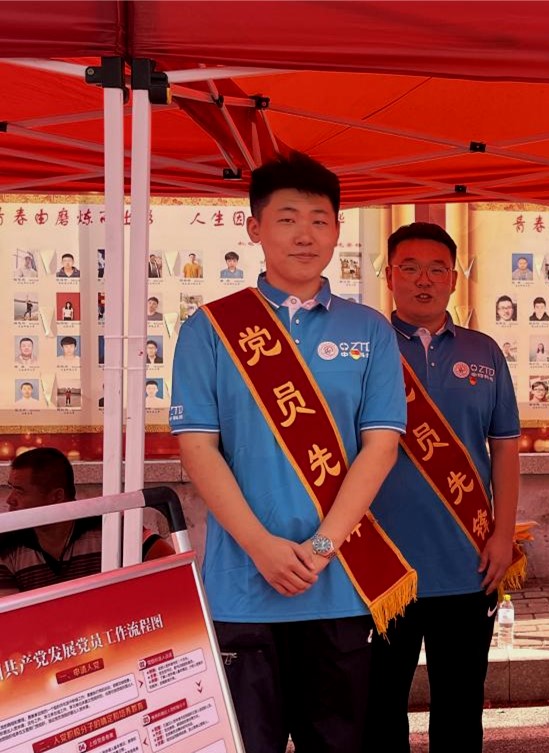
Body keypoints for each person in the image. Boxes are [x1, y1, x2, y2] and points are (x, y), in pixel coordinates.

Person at [170, 152, 406, 753]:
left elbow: (381, 446)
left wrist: (322, 546)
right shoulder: (210, 329)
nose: (305, 234)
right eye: (287, 218)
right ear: (254, 228)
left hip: (341, 583)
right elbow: (197, 449)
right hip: (242, 584)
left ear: (337, 230)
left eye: (320, 220)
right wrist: (260, 546)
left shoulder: (369, 330)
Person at [366, 222, 522, 753]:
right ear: (389, 276)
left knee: (459, 708)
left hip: (468, 561)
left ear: (454, 279)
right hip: (381, 565)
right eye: (409, 268)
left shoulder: (484, 351)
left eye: (437, 269)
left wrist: (503, 535)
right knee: (378, 708)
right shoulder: (368, 347)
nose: (423, 280)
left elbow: (504, 448)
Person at [1, 448, 174, 596]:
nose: (10, 500)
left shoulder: (110, 527)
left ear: (57, 496)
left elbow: (171, 567)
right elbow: (10, 616)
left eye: (20, 491)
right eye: (11, 488)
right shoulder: (7, 548)